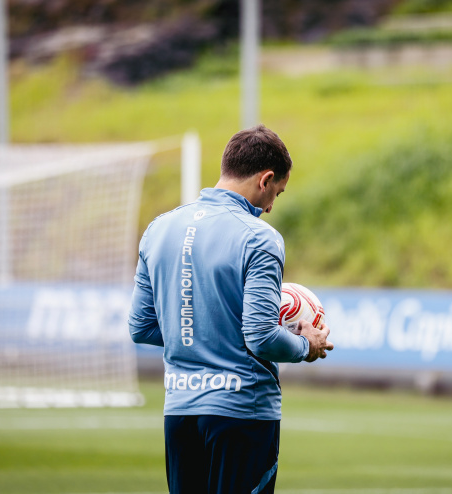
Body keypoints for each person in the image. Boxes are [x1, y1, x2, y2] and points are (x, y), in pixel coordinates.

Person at [128, 124, 334, 494]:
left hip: (179, 412)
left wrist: (205, 332)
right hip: (242, 411)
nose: (271, 206)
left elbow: (141, 327)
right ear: (265, 178)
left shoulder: (158, 229)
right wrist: (307, 346)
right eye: (277, 193)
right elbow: (260, 336)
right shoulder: (259, 237)